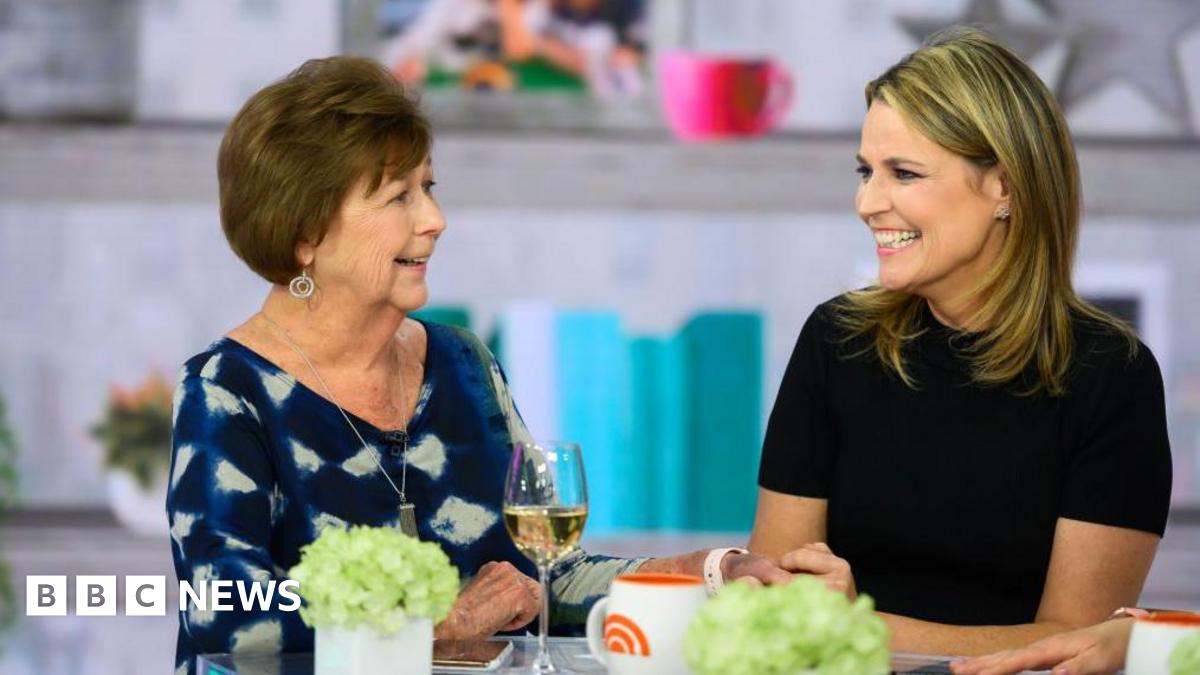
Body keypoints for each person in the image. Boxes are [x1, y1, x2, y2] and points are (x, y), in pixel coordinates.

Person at [166, 56, 788, 673]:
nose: (435, 220)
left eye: (428, 188)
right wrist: (445, 622)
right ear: (304, 233)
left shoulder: (464, 361)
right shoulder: (225, 391)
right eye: (396, 198)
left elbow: (546, 577)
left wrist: (711, 573)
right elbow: (229, 616)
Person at [747, 27, 1173, 656]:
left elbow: (1073, 642)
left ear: (1003, 186)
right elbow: (772, 602)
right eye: (866, 171)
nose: (868, 202)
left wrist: (857, 625)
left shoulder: (1113, 374)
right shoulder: (836, 340)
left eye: (904, 173)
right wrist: (811, 617)